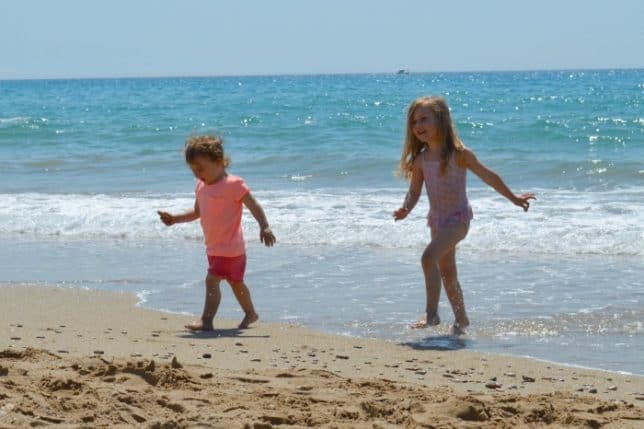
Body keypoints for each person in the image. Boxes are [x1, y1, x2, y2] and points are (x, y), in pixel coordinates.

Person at [393, 96, 535, 335]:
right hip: (437, 222)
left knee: (428, 258)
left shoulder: (460, 154)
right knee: (447, 272)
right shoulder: (421, 160)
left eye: (424, 119)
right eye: (414, 121)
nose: (418, 125)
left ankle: (431, 314)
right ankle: (461, 319)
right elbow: (414, 191)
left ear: (441, 120)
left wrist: (514, 198)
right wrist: (406, 208)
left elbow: (489, 177)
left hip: (458, 220)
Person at [158, 135, 276, 331]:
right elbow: (197, 212)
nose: (197, 174)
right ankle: (251, 313)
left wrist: (264, 225)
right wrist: (175, 219)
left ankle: (207, 320)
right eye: (193, 170)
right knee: (235, 283)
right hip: (213, 247)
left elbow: (253, 205)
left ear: (219, 162)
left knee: (213, 280)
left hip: (232, 248)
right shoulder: (201, 187)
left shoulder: (234, 184)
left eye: (201, 168)